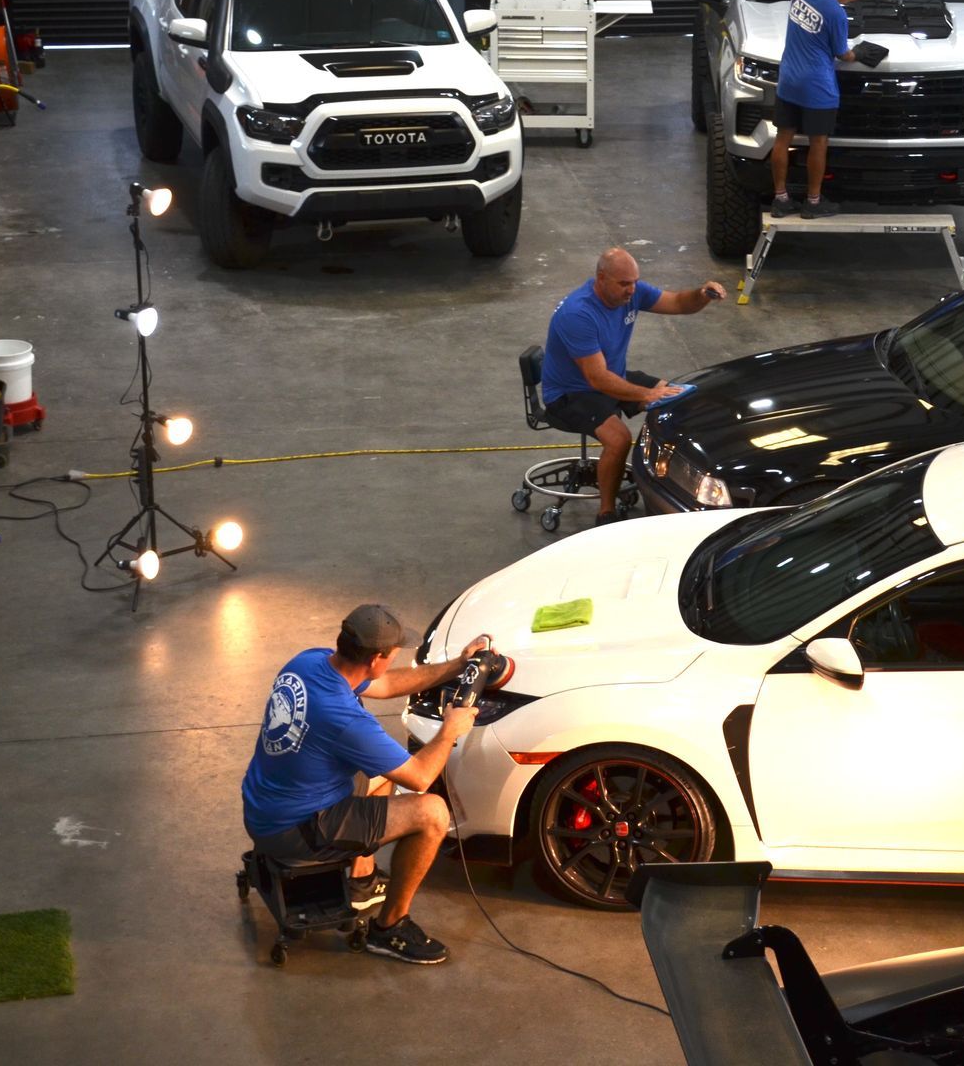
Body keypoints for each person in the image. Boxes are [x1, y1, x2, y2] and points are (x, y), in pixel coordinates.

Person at [241, 604, 502, 965]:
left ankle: (361, 881)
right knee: (432, 813)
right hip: (295, 831)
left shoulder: (310, 661)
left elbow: (388, 683)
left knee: (381, 771)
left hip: (264, 805)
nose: (393, 659)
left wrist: (458, 666)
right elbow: (421, 776)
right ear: (377, 657)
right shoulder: (343, 718)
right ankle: (389, 927)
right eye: (392, 653)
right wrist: (450, 731)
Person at [539, 248, 726, 522]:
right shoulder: (578, 314)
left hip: (612, 376)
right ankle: (607, 513)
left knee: (677, 398)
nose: (631, 290)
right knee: (619, 439)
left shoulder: (632, 292)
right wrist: (647, 394)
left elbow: (676, 303)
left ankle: (672, 481)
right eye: (624, 284)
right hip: (571, 394)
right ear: (601, 278)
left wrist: (701, 295)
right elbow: (597, 379)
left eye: (634, 282)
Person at [772, 0, 863, 219]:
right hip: (818, 89)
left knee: (782, 138)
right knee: (818, 143)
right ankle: (813, 202)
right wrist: (861, 54)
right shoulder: (836, 14)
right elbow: (842, 53)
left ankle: (780, 199)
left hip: (788, 81)